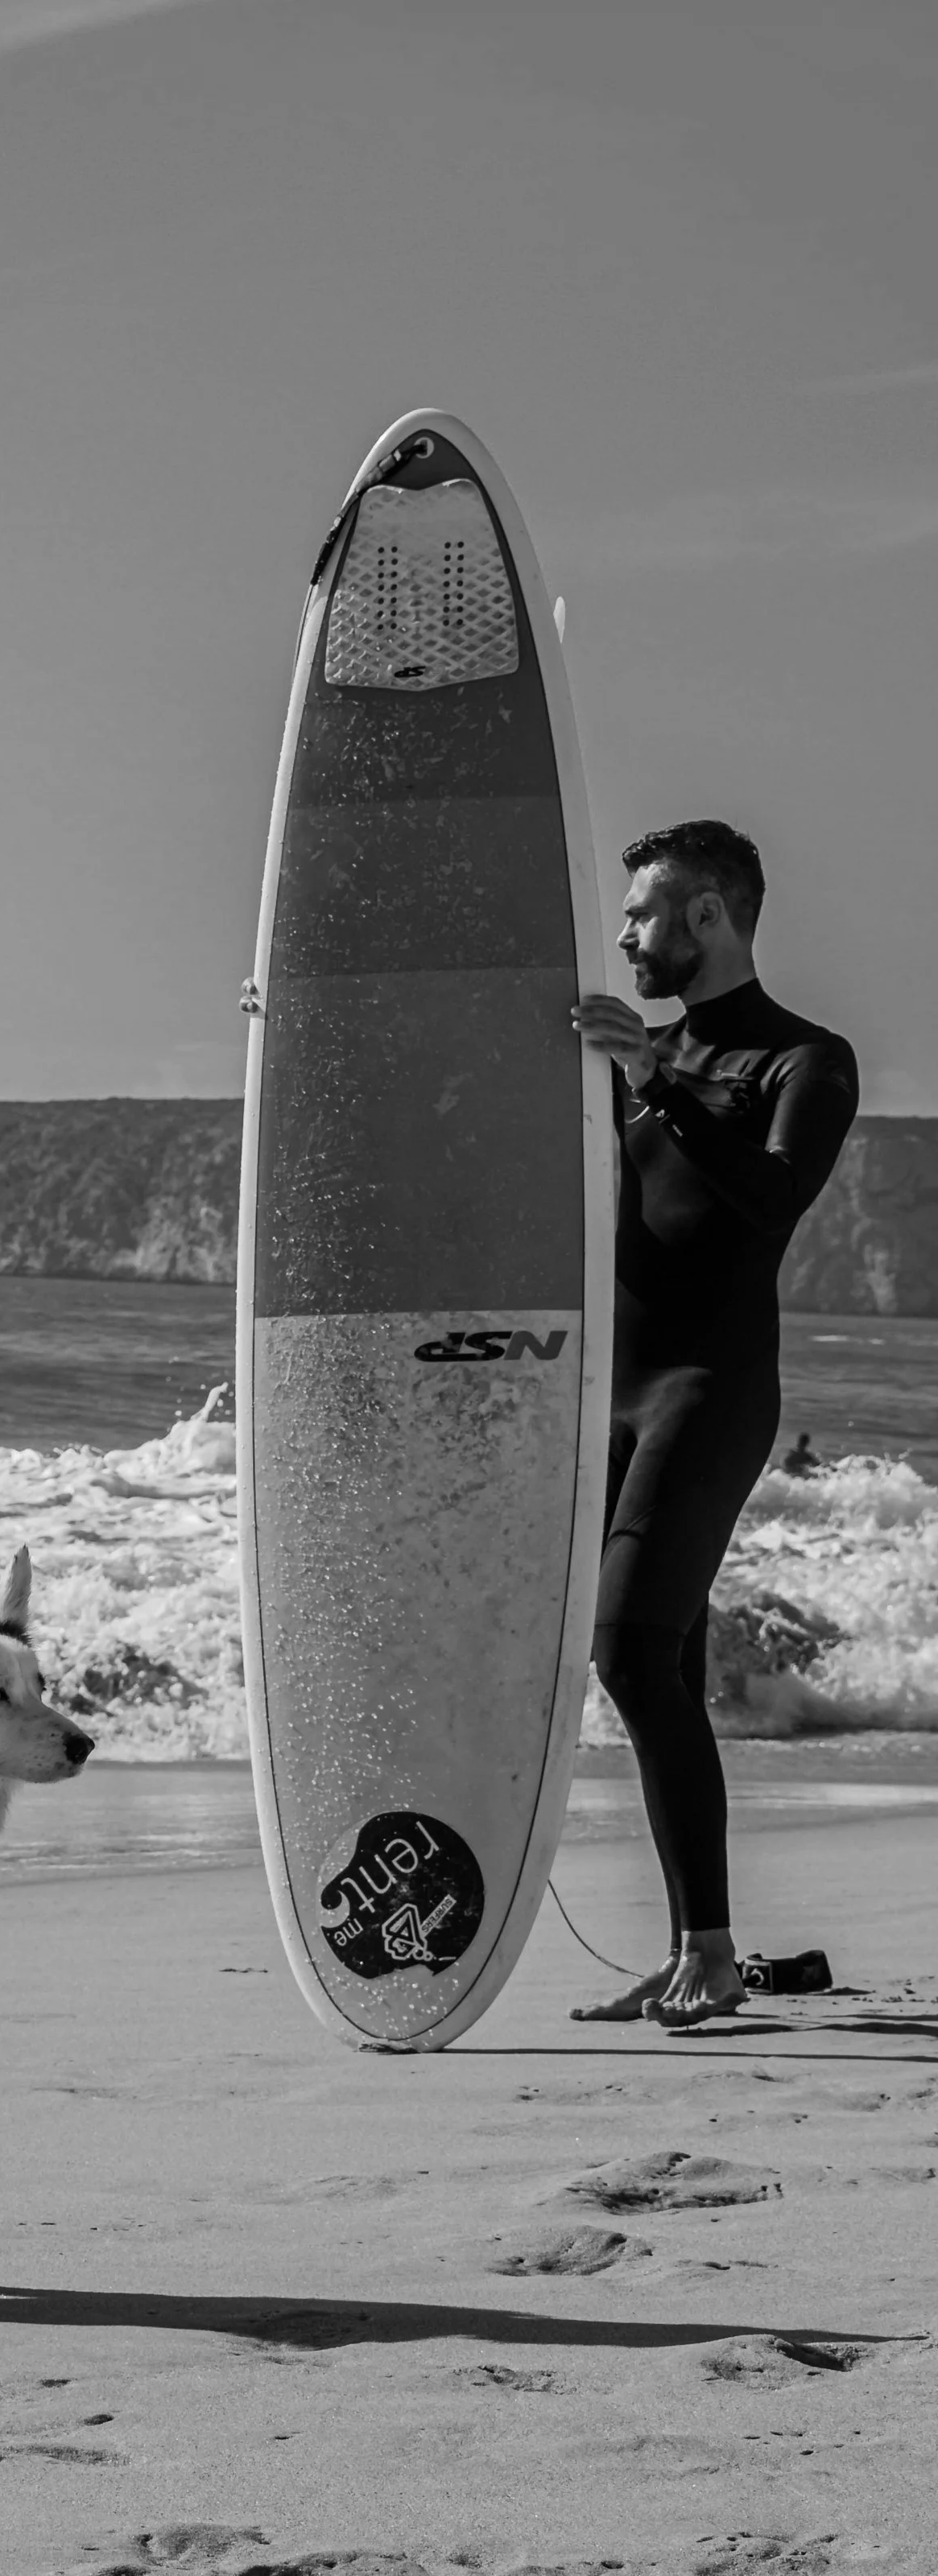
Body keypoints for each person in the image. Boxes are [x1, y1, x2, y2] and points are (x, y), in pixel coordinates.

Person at [569, 820, 857, 2029]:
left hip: (709, 1389)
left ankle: (715, 1951)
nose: (626, 935)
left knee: (629, 1650)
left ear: (706, 917)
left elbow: (772, 1202)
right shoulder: (637, 1055)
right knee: (659, 1664)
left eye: (644, 914)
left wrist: (659, 1089)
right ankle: (699, 1949)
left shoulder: (802, 1060)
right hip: (609, 1395)